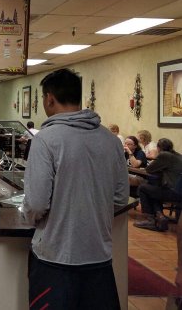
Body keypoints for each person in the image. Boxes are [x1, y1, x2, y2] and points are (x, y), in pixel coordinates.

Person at [22, 68, 128, 309]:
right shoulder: (111, 140)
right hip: (99, 259)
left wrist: (31, 217)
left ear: (49, 99)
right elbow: (121, 198)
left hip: (54, 260)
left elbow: (36, 203)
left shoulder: (45, 139)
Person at [134, 138, 182, 232]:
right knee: (154, 187)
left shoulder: (165, 155)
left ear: (158, 148)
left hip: (174, 192)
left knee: (143, 188)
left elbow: (149, 169)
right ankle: (159, 215)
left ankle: (151, 220)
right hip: (178, 190)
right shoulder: (178, 155)